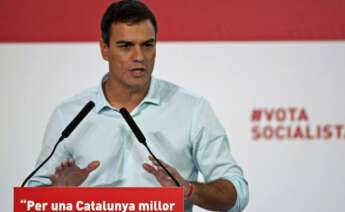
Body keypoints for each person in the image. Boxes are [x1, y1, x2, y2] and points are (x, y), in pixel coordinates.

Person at [28, 0, 249, 211]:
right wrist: (57, 192)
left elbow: (237, 193)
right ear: (104, 49)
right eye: (125, 46)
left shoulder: (192, 109)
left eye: (147, 45)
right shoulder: (70, 114)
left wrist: (189, 189)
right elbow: (31, 198)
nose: (139, 56)